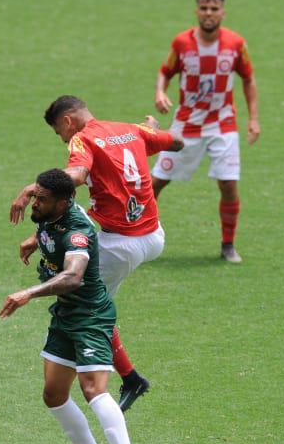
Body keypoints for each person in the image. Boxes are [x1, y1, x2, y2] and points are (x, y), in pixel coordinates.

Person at [10, 96, 183, 411]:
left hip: (122, 244)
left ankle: (129, 378)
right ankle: (126, 376)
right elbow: (177, 143)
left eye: (60, 133)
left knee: (84, 303)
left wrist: (32, 188)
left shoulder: (83, 138)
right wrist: (149, 130)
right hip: (153, 235)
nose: (64, 140)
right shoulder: (130, 130)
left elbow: (76, 175)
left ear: (67, 121)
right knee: (88, 289)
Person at [0, 169, 151, 444]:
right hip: (66, 315)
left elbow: (72, 277)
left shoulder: (78, 232)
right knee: (53, 395)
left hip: (91, 316)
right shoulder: (50, 211)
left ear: (64, 203)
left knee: (93, 389)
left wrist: (28, 293)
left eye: (41, 200)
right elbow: (45, 214)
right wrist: (35, 235)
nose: (35, 203)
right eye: (35, 196)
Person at [152, 0, 259, 263]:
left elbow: (248, 79)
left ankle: (228, 245)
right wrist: (160, 92)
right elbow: (165, 72)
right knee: (157, 182)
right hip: (187, 124)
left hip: (223, 124)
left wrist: (253, 119)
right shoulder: (182, 43)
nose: (208, 13)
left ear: (222, 12)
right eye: (204, 8)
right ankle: (139, 235)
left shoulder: (236, 44)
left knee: (229, 184)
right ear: (197, 11)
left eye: (214, 9)